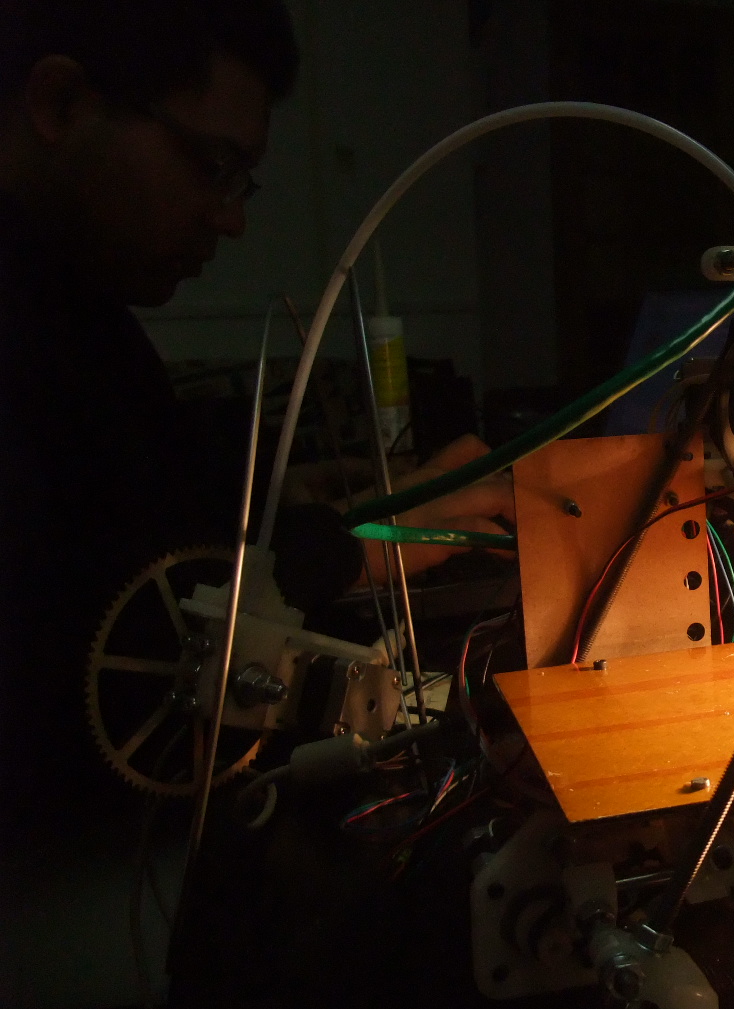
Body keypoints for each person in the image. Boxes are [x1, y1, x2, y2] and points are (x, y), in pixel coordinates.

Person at [0, 0, 513, 816]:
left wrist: (290, 494)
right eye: (212, 165)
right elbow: (90, 642)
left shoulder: (79, 310)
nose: (231, 218)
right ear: (60, 103)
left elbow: (138, 499)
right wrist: (350, 548)